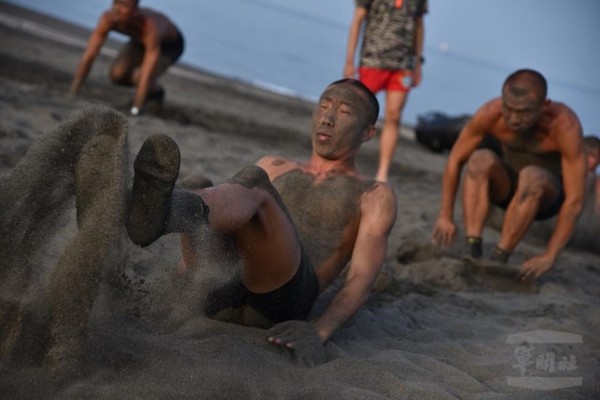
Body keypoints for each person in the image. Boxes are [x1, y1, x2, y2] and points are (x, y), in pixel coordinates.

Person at [126, 79, 398, 349]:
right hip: (219, 288)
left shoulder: (374, 193)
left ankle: (161, 212)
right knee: (197, 185)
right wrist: (179, 284)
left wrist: (319, 331)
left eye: (344, 112)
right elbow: (220, 220)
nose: (327, 118)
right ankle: (158, 214)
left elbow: (362, 278)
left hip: (281, 302)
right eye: (324, 106)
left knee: (255, 180)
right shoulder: (277, 165)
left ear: (367, 133)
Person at [432, 69, 586, 281]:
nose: (514, 119)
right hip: (507, 186)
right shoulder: (490, 113)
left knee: (532, 176)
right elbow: (455, 159)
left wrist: (550, 255)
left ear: (545, 105)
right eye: (509, 108)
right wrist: (445, 216)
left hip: (545, 195)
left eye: (524, 112)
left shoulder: (564, 125)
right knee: (479, 159)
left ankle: (500, 258)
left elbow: (576, 198)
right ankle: (472, 248)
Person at [344, 0, 427, 182]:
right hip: (372, 60)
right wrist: (349, 60)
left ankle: (382, 173)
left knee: (394, 116)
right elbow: (358, 19)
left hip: (402, 66)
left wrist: (418, 63)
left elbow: (419, 24)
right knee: (359, 112)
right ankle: (345, 160)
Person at [70, 0, 184, 115]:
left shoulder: (149, 26)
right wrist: (74, 90)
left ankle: (157, 92)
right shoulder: (108, 18)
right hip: (139, 41)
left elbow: (146, 75)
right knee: (117, 75)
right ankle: (146, 93)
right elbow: (89, 55)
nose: (117, 9)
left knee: (140, 77)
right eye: (115, 3)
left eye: (124, 5)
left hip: (169, 46)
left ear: (135, 11)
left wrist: (135, 109)